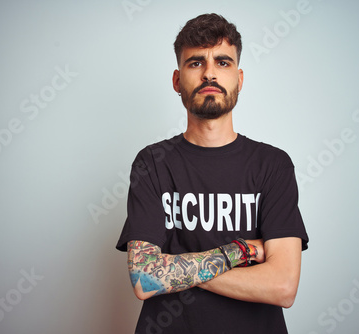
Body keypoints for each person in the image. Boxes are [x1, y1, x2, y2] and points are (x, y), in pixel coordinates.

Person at [116, 13, 308, 334]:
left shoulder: (272, 164)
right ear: (177, 81)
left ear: (239, 78)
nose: (209, 74)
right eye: (195, 63)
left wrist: (177, 270)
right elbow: (145, 279)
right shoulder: (152, 162)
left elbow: (283, 286)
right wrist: (243, 250)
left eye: (222, 62)